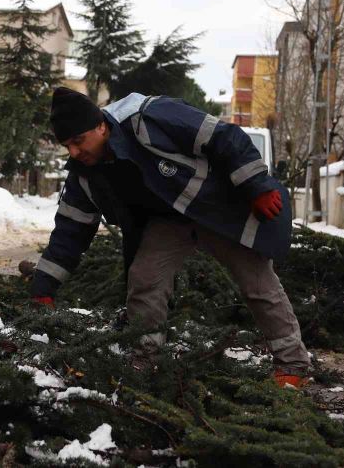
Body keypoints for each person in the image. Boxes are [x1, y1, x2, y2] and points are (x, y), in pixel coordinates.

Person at [30, 87, 310, 388]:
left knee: (257, 283)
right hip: (168, 222)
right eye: (66, 146)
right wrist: (43, 288)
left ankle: (292, 364)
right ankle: (146, 360)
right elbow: (70, 231)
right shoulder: (84, 175)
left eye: (77, 141)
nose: (73, 152)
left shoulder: (149, 117)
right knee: (144, 281)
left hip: (216, 208)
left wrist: (256, 185)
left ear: (100, 126)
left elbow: (223, 135)